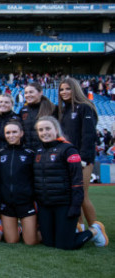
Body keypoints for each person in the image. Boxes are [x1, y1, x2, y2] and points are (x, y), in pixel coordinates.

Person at [33, 116, 108, 249]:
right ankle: (73, 229)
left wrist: (75, 206)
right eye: (41, 130)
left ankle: (95, 230)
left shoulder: (68, 149)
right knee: (48, 243)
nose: (44, 132)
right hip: (45, 204)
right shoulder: (38, 150)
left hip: (64, 203)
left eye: (48, 128)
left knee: (65, 245)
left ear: (56, 130)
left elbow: (77, 182)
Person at [56, 78, 100, 231]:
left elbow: (88, 135)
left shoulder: (85, 107)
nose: (64, 92)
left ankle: (97, 229)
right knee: (72, 197)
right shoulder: (63, 110)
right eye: (61, 90)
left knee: (81, 196)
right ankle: (79, 227)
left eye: (68, 89)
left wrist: (84, 158)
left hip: (82, 160)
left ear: (75, 89)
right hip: (66, 160)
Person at [0, 121, 38, 245]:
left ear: (21, 133)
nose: (11, 135)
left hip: (26, 202)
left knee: (30, 242)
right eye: (8, 133)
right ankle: (18, 228)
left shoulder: (30, 153)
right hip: (7, 203)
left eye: (14, 132)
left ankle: (34, 230)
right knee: (12, 241)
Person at [20, 82, 54, 150]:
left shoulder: (51, 109)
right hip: (27, 150)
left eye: (31, 92)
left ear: (40, 93)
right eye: (26, 93)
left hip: (46, 151)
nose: (28, 95)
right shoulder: (23, 110)